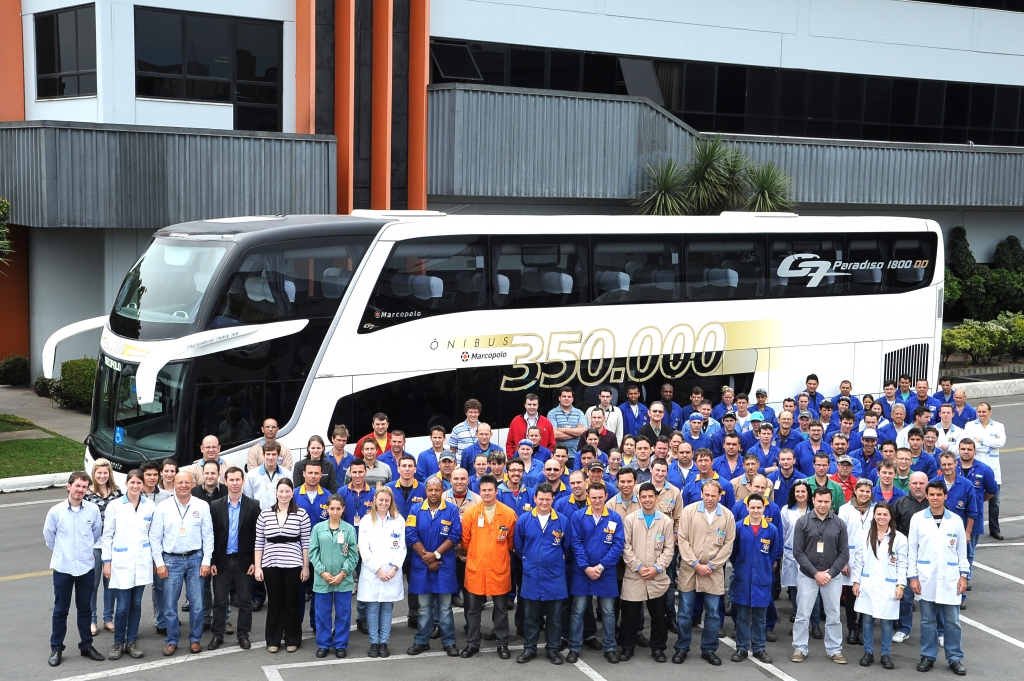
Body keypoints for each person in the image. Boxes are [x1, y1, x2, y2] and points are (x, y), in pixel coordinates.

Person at [149, 471, 215, 656]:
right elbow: (155, 537)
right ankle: (172, 640)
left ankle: (195, 639)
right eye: (180, 482)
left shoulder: (201, 505)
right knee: (170, 604)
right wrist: (160, 563)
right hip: (171, 560)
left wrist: (206, 560)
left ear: (192, 484)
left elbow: (208, 535)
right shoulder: (163, 507)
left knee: (197, 604)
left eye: (187, 482)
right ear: (174, 484)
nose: (184, 485)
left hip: (196, 559)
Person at [44, 472, 106, 667]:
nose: (80, 490)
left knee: (85, 609)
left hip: (86, 567)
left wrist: (83, 552)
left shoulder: (93, 510)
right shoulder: (56, 511)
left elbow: (96, 533)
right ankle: (56, 647)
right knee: (60, 610)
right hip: (63, 567)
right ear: (68, 486)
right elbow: (49, 537)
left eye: (84, 487)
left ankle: (86, 645)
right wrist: (64, 552)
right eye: (77, 485)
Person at [908, 482, 969, 676]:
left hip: (950, 578)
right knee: (927, 620)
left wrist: (963, 576)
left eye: (939, 494)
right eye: (932, 494)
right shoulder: (918, 519)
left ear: (945, 496)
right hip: (926, 577)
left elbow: (962, 551)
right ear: (926, 496)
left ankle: (954, 658)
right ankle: (928, 655)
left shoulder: (955, 520)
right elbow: (912, 550)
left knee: (953, 621)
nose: (935, 498)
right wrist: (913, 577)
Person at [673, 481, 734, 665]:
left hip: (713, 572)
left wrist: (712, 565)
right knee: (685, 612)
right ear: (701, 494)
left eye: (713, 495)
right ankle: (682, 647)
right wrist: (695, 563)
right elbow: (682, 539)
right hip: (689, 569)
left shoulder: (727, 516)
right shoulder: (689, 512)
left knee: (713, 613)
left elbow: (728, 544)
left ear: (720, 496)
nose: (709, 498)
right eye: (706, 495)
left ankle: (708, 649)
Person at [460, 475, 518, 659]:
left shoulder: (508, 514)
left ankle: (502, 644)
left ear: (496, 491)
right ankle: (472, 644)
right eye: (483, 490)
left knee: (501, 609)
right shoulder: (470, 514)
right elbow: (465, 542)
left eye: (490, 490)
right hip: (476, 568)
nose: (486, 493)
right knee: (473, 609)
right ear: (479, 491)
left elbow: (511, 542)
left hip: (499, 568)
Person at [791, 486, 850, 665]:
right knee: (802, 614)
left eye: (826, 501)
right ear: (813, 500)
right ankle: (800, 648)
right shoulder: (802, 522)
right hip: (808, 576)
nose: (823, 505)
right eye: (820, 501)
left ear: (831, 502)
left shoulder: (839, 523)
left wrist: (829, 574)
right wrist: (816, 573)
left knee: (834, 615)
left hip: (832, 577)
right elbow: (797, 552)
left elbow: (844, 553)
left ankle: (834, 650)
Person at [99, 469, 153, 660]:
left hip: (142, 561)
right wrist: (107, 562)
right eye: (133, 482)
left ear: (142, 485)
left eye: (139, 483)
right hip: (121, 562)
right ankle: (118, 642)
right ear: (126, 484)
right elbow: (107, 536)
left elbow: (153, 535)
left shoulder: (149, 506)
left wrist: (156, 561)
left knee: (136, 604)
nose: (136, 486)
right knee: (122, 606)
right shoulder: (115, 506)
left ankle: (131, 641)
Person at [566, 482, 623, 665]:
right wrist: (586, 567)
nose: (597, 500)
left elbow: (618, 545)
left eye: (600, 497)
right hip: (582, 571)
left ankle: (610, 648)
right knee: (578, 610)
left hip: (605, 572)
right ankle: (574, 647)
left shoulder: (615, 518)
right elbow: (576, 543)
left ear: (606, 496)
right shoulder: (578, 516)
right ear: (588, 497)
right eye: (593, 497)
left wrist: (601, 567)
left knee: (608, 612)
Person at [405, 478, 463, 657]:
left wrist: (436, 555)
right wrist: (428, 558)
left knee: (445, 608)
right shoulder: (415, 509)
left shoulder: (451, 509)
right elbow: (410, 535)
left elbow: (455, 535)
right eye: (430, 490)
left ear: (442, 490)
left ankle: (449, 641)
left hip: (444, 566)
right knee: (423, 608)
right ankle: (422, 641)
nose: (433, 493)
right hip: (422, 565)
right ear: (425, 491)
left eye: (436, 490)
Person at [617, 482, 674, 663]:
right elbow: (625, 547)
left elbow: (669, 549)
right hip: (634, 575)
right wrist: (638, 567)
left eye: (650, 496)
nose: (647, 500)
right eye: (644, 497)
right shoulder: (630, 520)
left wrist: (657, 568)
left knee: (658, 616)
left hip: (657, 576)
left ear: (656, 498)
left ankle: (658, 648)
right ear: (639, 499)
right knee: (630, 616)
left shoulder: (665, 521)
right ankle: (627, 647)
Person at [254, 478, 311, 654]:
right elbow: (259, 543)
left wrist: (305, 567)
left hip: (294, 565)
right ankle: (273, 639)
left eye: (287, 491)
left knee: (291, 602)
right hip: (270, 565)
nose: (284, 494)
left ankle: (292, 639)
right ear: (276, 493)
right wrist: (258, 567)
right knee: (274, 602)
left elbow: (306, 543)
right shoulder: (265, 514)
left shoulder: (301, 514)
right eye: (281, 491)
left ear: (292, 493)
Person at [514, 483, 569, 665]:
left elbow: (567, 546)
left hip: (555, 576)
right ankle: (530, 648)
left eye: (548, 499)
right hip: (531, 575)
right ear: (535, 499)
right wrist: (530, 560)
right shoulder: (524, 520)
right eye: (541, 499)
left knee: (554, 617)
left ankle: (552, 649)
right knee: (530, 616)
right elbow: (519, 546)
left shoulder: (562, 521)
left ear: (553, 499)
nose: (544, 502)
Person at [209, 466, 260, 651]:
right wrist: (212, 561)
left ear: (243, 481)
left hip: (243, 560)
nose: (235, 483)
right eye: (231, 480)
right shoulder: (216, 505)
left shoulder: (253, 505)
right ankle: (217, 635)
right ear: (225, 481)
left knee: (245, 600)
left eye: (238, 479)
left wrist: (255, 561)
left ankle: (243, 635)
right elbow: (211, 535)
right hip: (221, 560)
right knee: (219, 600)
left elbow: (257, 535)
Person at [851, 502, 907, 669]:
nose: (882, 517)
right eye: (879, 514)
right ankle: (868, 652)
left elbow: (902, 564)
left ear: (890, 517)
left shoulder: (900, 538)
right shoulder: (864, 535)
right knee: (867, 619)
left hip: (888, 585)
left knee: (887, 621)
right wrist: (856, 581)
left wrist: (900, 585)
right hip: (868, 583)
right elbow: (858, 560)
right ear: (874, 516)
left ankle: (885, 654)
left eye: (885, 514)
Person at [730, 493, 781, 664]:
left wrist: (764, 567)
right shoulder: (738, 527)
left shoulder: (772, 530)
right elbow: (733, 553)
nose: (756, 510)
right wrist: (741, 566)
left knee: (760, 616)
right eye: (752, 507)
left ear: (764, 508)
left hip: (762, 578)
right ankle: (742, 647)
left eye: (759, 507)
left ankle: (759, 648)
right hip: (743, 577)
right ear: (747, 508)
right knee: (742, 616)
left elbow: (773, 554)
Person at [309, 494, 358, 658]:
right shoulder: (318, 529)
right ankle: (323, 644)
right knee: (322, 613)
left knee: (343, 613)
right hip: (322, 579)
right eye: (332, 508)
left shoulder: (349, 529)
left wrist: (343, 573)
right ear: (327, 509)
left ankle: (340, 644)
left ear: (343, 509)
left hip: (343, 580)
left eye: (338, 508)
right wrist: (322, 571)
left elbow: (353, 555)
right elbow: (313, 553)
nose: (335, 512)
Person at [891, 472, 930, 643]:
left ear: (927, 484)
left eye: (922, 483)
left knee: (933, 596)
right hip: (907, 557)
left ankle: (939, 631)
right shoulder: (900, 504)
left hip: (930, 557)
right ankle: (903, 628)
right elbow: (892, 531)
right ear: (909, 484)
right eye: (915, 483)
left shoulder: (935, 504)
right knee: (906, 597)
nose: (918, 486)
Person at [85, 458, 121, 637]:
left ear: (109, 474)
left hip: (113, 545)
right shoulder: (87, 493)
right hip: (93, 545)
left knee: (111, 583)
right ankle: (92, 620)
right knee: (92, 584)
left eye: (105, 472)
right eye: (99, 472)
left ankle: (108, 619)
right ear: (94, 473)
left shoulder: (117, 493)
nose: (102, 476)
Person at [956, 438, 997, 587]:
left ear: (974, 451)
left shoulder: (985, 469)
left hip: (974, 516)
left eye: (969, 449)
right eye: (963, 449)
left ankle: (966, 577)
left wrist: (977, 501)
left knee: (969, 549)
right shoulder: (952, 466)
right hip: (954, 514)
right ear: (959, 450)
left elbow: (992, 491)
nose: (966, 452)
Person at [191, 460, 227, 630]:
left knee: (222, 586)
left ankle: (225, 619)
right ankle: (206, 618)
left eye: (213, 473)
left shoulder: (226, 491)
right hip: (200, 546)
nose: (210, 476)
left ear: (219, 474)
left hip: (222, 545)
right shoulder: (194, 492)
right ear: (202, 474)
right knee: (203, 586)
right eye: (207, 473)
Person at [295, 460, 331, 632]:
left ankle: (317, 625)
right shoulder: (294, 494)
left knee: (320, 591)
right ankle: (295, 627)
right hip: (297, 551)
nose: (313, 476)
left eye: (317, 473)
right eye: (310, 473)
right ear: (304, 474)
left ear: (321, 474)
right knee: (298, 592)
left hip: (322, 552)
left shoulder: (328, 496)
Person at [838, 478, 875, 645]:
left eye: (867, 491)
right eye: (861, 491)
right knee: (852, 594)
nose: (864, 494)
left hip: (870, 556)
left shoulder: (875, 509)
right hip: (850, 556)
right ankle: (852, 627)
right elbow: (840, 536)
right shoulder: (845, 509)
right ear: (855, 491)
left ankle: (862, 628)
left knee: (866, 592)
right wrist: (843, 561)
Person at [962, 402, 1006, 540]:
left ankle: (994, 529)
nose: (981, 414)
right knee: (971, 499)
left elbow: (1001, 443)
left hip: (993, 467)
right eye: (979, 412)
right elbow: (969, 444)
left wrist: (980, 440)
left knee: (995, 501)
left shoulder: (999, 426)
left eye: (984, 411)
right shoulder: (970, 426)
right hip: (975, 467)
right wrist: (989, 445)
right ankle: (970, 528)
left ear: (990, 412)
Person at [139, 461, 172, 631]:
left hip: (160, 546)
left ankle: (163, 620)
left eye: (154, 475)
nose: (152, 478)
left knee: (161, 586)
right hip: (140, 546)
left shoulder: (166, 495)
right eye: (148, 475)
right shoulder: (136, 493)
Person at [781, 481, 812, 631]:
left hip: (810, 555)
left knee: (810, 589)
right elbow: (783, 532)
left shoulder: (814, 510)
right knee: (794, 587)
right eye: (797, 491)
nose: (800, 494)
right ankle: (797, 614)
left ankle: (812, 620)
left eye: (803, 491)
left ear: (808, 494)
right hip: (791, 553)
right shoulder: (786, 510)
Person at [243, 442, 293, 510]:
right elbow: (247, 498)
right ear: (263, 455)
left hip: (281, 514)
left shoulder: (287, 474)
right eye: (268, 454)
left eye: (274, 454)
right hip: (258, 514)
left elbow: (290, 497)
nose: (270, 457)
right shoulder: (252, 475)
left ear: (278, 455)